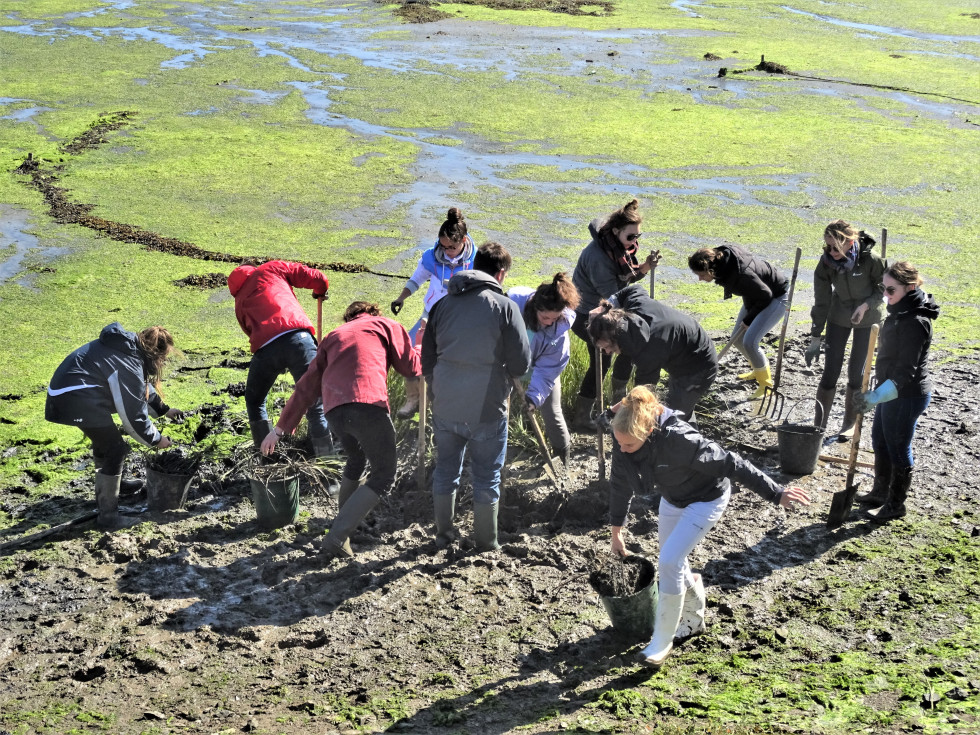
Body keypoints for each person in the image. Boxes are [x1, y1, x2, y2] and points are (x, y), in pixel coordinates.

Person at [608, 386, 810, 669]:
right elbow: (619, 485)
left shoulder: (681, 440)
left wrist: (777, 493)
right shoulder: (623, 439)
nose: (621, 448)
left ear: (648, 432)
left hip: (707, 499)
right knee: (673, 563)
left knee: (668, 560)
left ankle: (660, 643)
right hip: (673, 498)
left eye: (628, 445)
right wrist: (616, 531)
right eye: (618, 443)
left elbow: (733, 463)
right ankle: (694, 620)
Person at [261, 301, 421, 558]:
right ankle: (337, 537)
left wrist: (279, 429)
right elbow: (411, 366)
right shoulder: (386, 325)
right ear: (374, 313)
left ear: (349, 319)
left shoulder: (334, 336)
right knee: (384, 475)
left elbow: (306, 386)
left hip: (335, 411)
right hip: (368, 406)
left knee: (356, 460)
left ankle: (342, 528)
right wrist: (423, 348)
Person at [422, 242, 531, 551]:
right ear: (501, 273)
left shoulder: (442, 304)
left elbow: (427, 360)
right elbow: (522, 365)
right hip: (488, 406)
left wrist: (440, 385)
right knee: (486, 476)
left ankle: (444, 536)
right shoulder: (505, 306)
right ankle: (487, 542)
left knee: (445, 471)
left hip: (445, 403)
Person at [45, 323, 181, 528]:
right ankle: (108, 517)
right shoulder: (129, 361)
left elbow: (140, 387)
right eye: (163, 358)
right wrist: (157, 440)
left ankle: (113, 487)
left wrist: (164, 410)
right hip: (73, 398)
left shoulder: (128, 348)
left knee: (104, 441)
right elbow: (133, 417)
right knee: (116, 449)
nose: (163, 362)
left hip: (67, 395)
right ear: (155, 353)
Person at [855, 261, 938, 523]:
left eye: (891, 290)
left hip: (907, 395)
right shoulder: (901, 310)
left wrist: (876, 396)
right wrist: (877, 389)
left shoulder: (916, 321)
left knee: (898, 447)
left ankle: (895, 504)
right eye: (883, 288)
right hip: (890, 390)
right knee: (879, 438)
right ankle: (880, 492)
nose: (885, 295)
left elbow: (906, 372)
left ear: (910, 287)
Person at [227, 260, 333, 456]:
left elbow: (250, 333)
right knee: (315, 404)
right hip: (299, 340)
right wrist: (320, 290)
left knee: (255, 400)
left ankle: (267, 457)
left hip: (266, 349)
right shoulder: (271, 269)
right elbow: (318, 278)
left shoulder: (239, 302)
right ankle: (328, 468)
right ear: (252, 269)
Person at [571, 199, 658, 429]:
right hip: (585, 315)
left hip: (606, 310)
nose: (634, 242)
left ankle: (617, 404)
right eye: (631, 237)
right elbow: (615, 296)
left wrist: (645, 267)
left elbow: (624, 282)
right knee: (602, 360)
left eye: (638, 237)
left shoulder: (617, 247)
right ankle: (582, 417)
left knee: (627, 348)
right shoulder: (598, 257)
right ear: (616, 231)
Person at [390, 207, 476, 418]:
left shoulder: (476, 261)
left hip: (459, 320)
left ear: (463, 240)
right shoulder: (431, 257)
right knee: (409, 353)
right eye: (443, 246)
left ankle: (441, 406)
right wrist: (401, 298)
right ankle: (413, 400)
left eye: (452, 247)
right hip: (430, 316)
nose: (447, 251)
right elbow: (416, 280)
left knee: (447, 362)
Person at [587, 285, 717, 424]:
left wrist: (612, 412)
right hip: (682, 349)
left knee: (672, 419)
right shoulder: (634, 308)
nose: (606, 352)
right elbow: (634, 289)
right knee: (679, 413)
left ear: (619, 340)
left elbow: (641, 394)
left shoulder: (648, 353)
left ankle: (686, 441)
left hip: (698, 366)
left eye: (607, 347)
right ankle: (689, 437)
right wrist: (605, 307)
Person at [805, 221, 886, 438]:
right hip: (838, 315)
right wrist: (815, 336)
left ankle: (849, 423)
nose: (831, 252)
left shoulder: (871, 259)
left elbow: (883, 288)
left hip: (868, 318)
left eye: (835, 247)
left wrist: (865, 305)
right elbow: (821, 301)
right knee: (830, 371)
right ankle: (819, 424)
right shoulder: (826, 264)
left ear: (851, 242)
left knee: (855, 373)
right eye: (827, 247)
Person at [688, 244, 788, 398]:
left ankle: (766, 384)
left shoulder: (740, 275)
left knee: (750, 341)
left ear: (710, 270)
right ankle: (757, 368)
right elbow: (751, 290)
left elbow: (765, 295)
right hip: (756, 295)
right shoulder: (724, 266)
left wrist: (749, 319)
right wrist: (749, 313)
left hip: (776, 296)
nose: (700, 279)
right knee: (737, 339)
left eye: (701, 275)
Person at [507, 273, 580, 467]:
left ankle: (562, 459)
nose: (549, 322)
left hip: (542, 371)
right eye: (545, 317)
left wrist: (533, 399)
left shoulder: (559, 335)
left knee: (553, 413)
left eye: (554, 318)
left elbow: (547, 373)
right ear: (535, 308)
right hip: (509, 368)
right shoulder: (514, 304)